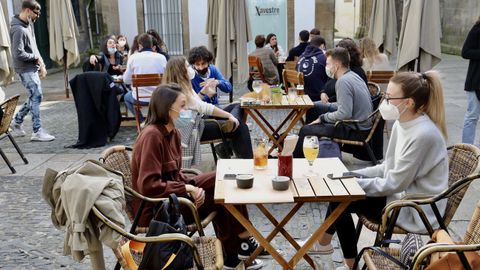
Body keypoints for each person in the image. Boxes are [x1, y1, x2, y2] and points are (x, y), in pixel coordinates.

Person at [312, 71, 448, 270]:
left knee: (341, 196)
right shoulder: (403, 123)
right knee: (340, 190)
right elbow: (387, 167)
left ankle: (341, 258)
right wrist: (350, 175)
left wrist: (353, 184)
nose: (384, 101)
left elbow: (394, 182)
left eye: (389, 97)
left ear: (408, 102)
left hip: (414, 208)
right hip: (400, 194)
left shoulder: (423, 134)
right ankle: (324, 244)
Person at [131, 83, 265, 269]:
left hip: (175, 197)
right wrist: (188, 188)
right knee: (220, 189)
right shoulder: (152, 136)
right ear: (167, 109)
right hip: (159, 210)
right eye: (183, 106)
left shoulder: (173, 133)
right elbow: (149, 186)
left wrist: (192, 188)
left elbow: (176, 175)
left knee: (223, 181)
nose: (187, 111)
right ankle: (240, 246)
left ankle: (237, 250)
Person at [164, 57, 253, 159]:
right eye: (188, 66)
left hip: (200, 119)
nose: (192, 69)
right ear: (181, 71)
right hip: (196, 126)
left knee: (238, 105)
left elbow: (194, 102)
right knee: (240, 127)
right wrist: (229, 115)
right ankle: (247, 162)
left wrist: (203, 92)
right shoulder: (180, 89)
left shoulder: (179, 85)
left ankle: (230, 125)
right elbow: (203, 107)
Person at [293, 47, 372, 158]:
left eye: (328, 64)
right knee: (314, 106)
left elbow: (344, 113)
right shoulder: (353, 75)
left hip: (355, 129)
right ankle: (312, 149)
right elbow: (344, 106)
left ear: (336, 66)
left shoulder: (343, 81)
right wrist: (323, 105)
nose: (326, 67)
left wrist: (322, 118)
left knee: (305, 130)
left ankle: (296, 161)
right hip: (360, 124)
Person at [9, 0, 54, 141]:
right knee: (36, 95)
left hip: (32, 67)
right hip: (24, 69)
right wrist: (36, 59)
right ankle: (37, 131)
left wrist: (42, 64)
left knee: (35, 96)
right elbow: (18, 54)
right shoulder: (18, 29)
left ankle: (16, 121)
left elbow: (34, 47)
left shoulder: (28, 25)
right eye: (36, 13)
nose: (38, 16)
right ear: (28, 10)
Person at [123, 33, 167, 121]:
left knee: (127, 97)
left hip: (139, 98)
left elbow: (126, 80)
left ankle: (142, 122)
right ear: (152, 45)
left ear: (140, 45)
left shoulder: (133, 58)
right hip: (158, 98)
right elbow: (167, 78)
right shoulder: (161, 57)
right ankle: (156, 121)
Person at [462, 17, 480, 144]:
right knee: (472, 116)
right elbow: (465, 52)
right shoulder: (477, 30)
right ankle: (467, 150)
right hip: (476, 81)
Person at [296, 36, 328, 103]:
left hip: (302, 94)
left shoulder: (301, 57)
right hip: (318, 96)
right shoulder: (323, 58)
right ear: (322, 46)